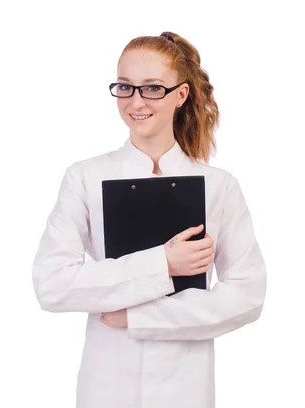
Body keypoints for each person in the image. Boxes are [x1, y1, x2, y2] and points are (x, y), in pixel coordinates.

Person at [32, 31, 266, 408]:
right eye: (125, 87)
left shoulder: (218, 186)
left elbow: (247, 296)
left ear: (181, 94)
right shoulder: (86, 177)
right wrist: (163, 263)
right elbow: (52, 284)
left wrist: (137, 317)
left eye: (152, 88)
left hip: (185, 387)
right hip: (108, 385)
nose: (135, 101)